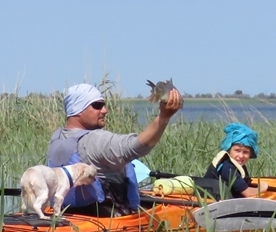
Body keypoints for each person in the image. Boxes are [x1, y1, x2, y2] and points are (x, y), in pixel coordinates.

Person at [47, 82, 184, 215]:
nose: (105, 110)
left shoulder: (57, 137)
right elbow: (138, 147)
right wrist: (164, 117)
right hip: (107, 218)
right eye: (97, 106)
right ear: (78, 109)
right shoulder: (95, 140)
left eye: (104, 105)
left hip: (71, 213)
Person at [202, 123, 260, 199]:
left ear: (250, 154)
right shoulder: (227, 167)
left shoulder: (237, 166)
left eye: (245, 152)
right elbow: (247, 193)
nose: (241, 156)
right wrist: (262, 187)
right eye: (237, 150)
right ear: (228, 150)